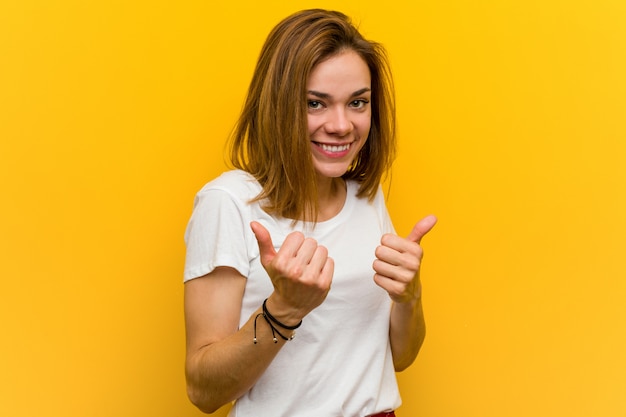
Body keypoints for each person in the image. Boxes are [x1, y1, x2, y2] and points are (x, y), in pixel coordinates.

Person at [183, 9, 437, 417]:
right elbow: (202, 389)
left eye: (358, 102)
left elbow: (400, 357)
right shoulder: (228, 202)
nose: (342, 125)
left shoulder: (367, 199)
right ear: (278, 106)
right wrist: (285, 309)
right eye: (315, 103)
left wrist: (411, 296)